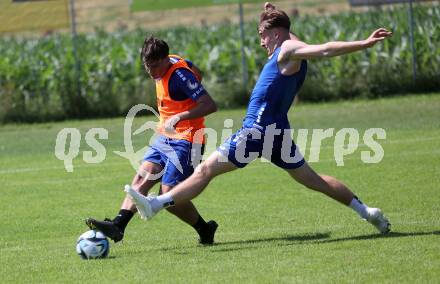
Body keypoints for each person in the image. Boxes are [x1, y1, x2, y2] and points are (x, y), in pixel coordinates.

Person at [125, 3, 392, 235]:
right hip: (276, 133)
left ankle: (156, 204)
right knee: (313, 180)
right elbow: (292, 34)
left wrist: (364, 44)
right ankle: (366, 212)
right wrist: (270, 13)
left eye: (263, 35)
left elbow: (323, 50)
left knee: (205, 170)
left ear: (276, 34)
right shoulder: (289, 46)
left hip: (257, 131)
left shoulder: (287, 50)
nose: (261, 41)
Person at [86, 36, 219, 245]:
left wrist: (180, 116)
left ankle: (205, 229)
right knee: (141, 179)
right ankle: (117, 225)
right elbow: (196, 70)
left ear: (166, 59)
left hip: (188, 140)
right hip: (165, 137)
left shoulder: (180, 76)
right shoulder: (170, 62)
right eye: (147, 67)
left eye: (155, 66)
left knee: (169, 196)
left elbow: (210, 104)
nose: (151, 72)